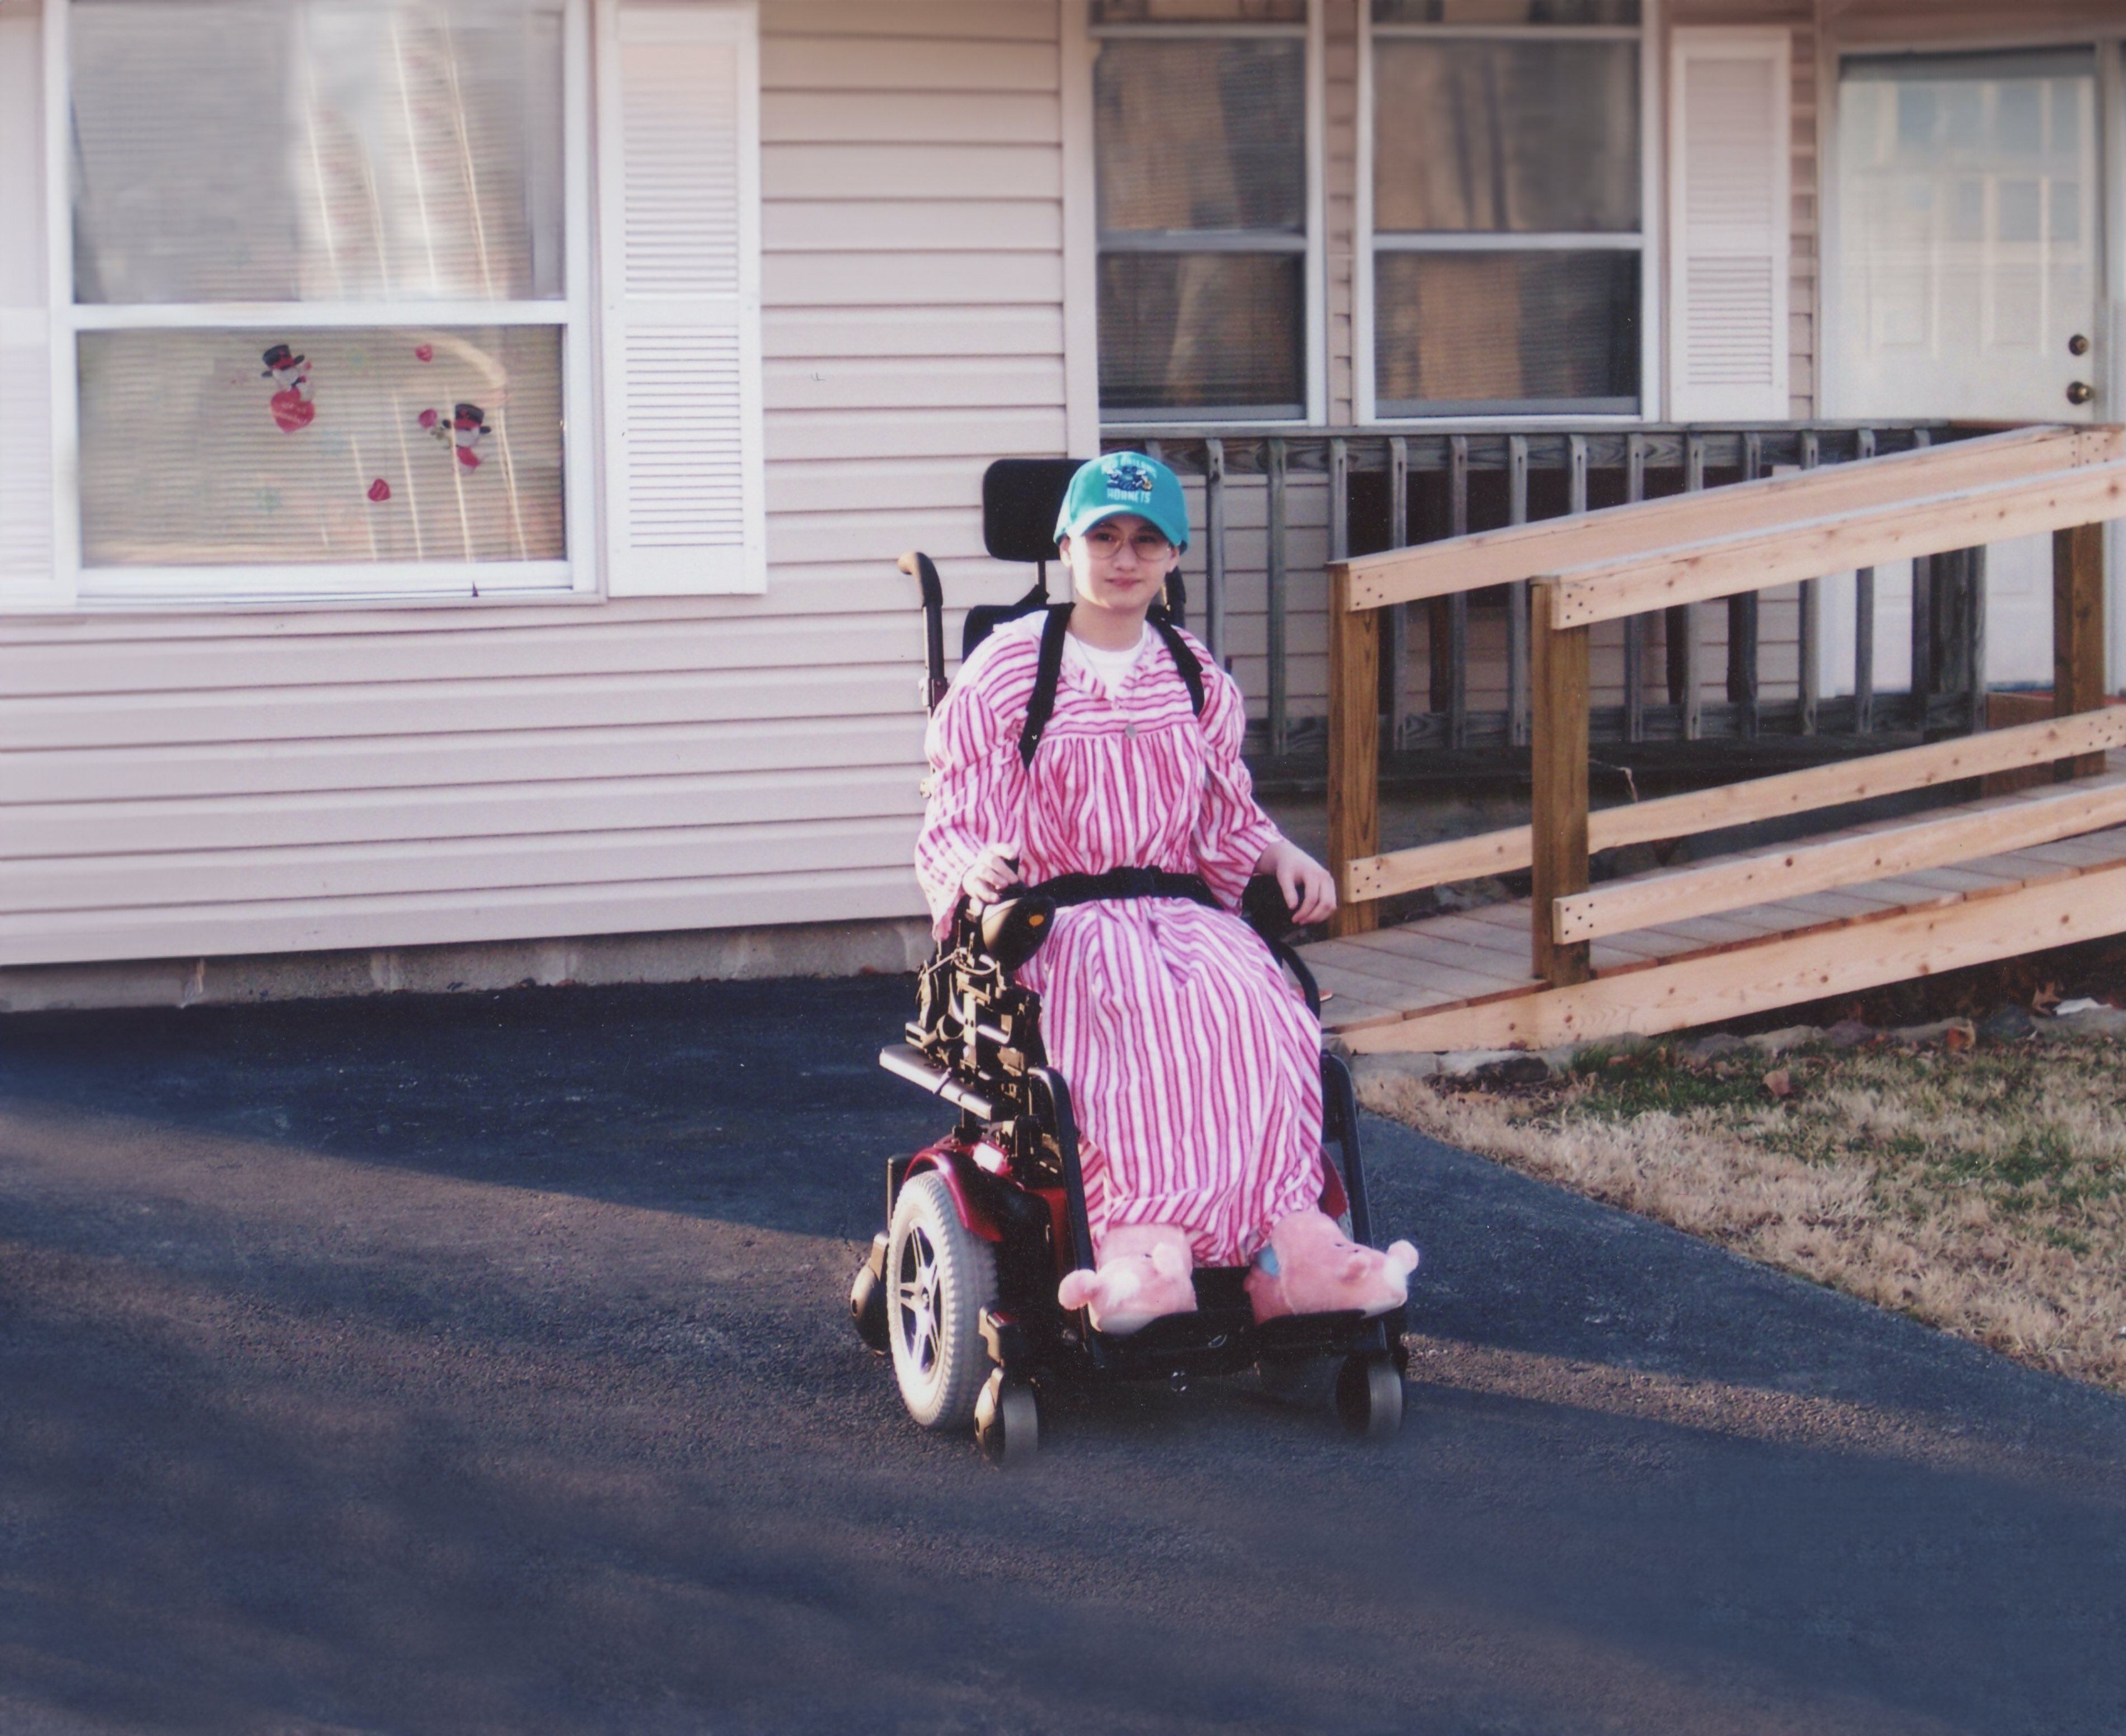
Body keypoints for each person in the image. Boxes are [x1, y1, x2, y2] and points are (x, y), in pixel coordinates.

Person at [914, 452, 1415, 1336]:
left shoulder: (1191, 675)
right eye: (1103, 536)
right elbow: (955, 809)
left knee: (1260, 1012)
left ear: (1174, 556)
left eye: (1147, 541)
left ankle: (1286, 1248)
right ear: (1066, 543)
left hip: (1177, 911)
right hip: (1054, 918)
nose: (1123, 558)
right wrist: (973, 869)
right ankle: (1139, 1250)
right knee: (1128, 1019)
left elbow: (1225, 815)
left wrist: (1279, 854)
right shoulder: (1007, 670)